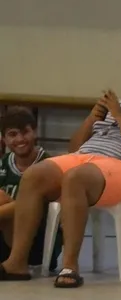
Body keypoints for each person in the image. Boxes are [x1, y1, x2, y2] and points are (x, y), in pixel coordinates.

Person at [0, 55, 121, 287]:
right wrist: (92, 118)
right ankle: (17, 262)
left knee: (75, 178)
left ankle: (70, 266)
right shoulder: (116, 106)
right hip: (83, 158)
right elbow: (74, 148)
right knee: (34, 175)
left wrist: (119, 116)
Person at [0, 107, 61, 275]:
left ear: (35, 132)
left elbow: (36, 207)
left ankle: (17, 262)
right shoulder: (3, 164)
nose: (20, 139)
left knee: (15, 203)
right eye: (13, 134)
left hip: (39, 244)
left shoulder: (50, 165)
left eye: (25, 132)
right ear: (4, 139)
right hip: (5, 242)